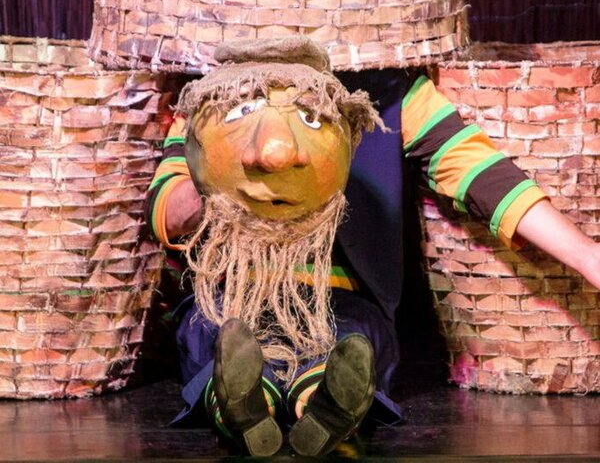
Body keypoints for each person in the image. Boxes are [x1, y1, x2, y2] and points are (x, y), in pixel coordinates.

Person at [145, 36, 600, 457]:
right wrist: (218, 185)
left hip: (341, 295)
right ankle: (243, 405)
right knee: (216, 334)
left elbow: (478, 173)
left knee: (354, 343)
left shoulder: (389, 95)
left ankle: (324, 404)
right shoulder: (213, 96)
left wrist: (586, 255)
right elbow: (165, 208)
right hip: (231, 291)